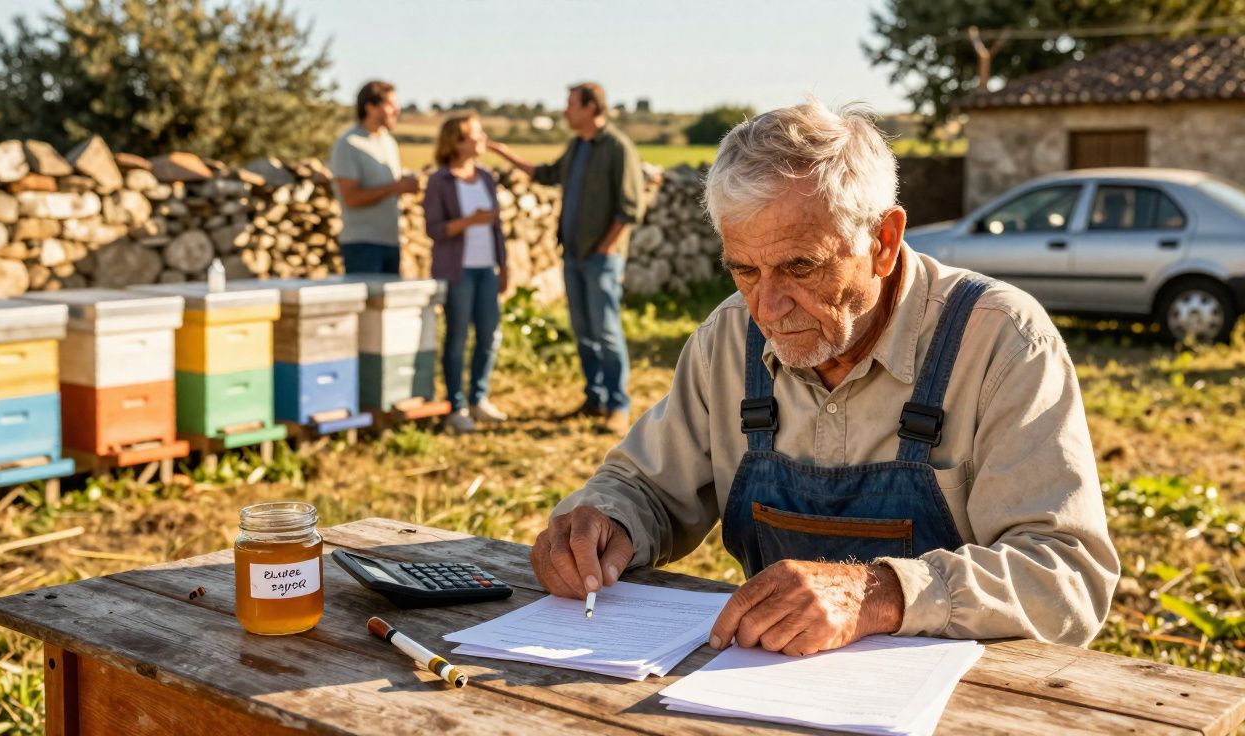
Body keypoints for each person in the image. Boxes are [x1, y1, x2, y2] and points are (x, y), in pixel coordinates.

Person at [528, 99, 1119, 656]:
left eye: (799, 267)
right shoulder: (729, 338)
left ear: (883, 242)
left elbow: (1066, 576)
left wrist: (881, 594)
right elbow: (649, 487)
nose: (767, 308)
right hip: (766, 684)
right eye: (744, 270)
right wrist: (605, 519)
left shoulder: (1000, 340)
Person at [488, 82, 644, 436]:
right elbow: (546, 174)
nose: (565, 111)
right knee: (584, 330)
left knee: (605, 332)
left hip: (600, 260)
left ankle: (617, 406)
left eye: (571, 104)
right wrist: (503, 153)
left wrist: (606, 247)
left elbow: (630, 207)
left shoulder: (617, 148)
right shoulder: (577, 146)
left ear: (591, 107)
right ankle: (594, 398)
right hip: (573, 256)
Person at [423, 113, 510, 434]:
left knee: (489, 335)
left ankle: (479, 397)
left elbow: (497, 228)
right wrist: (469, 221)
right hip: (457, 270)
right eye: (476, 134)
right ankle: (455, 404)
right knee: (457, 338)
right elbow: (434, 229)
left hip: (487, 268)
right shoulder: (440, 182)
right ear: (457, 142)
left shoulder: (486, 177)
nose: (482, 138)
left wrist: (505, 266)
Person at [330, 80, 420, 275]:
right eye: (391, 104)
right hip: (362, 245)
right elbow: (351, 198)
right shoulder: (348, 144)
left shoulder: (388, 142)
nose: (397, 110)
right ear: (370, 107)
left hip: (390, 241)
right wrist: (396, 187)